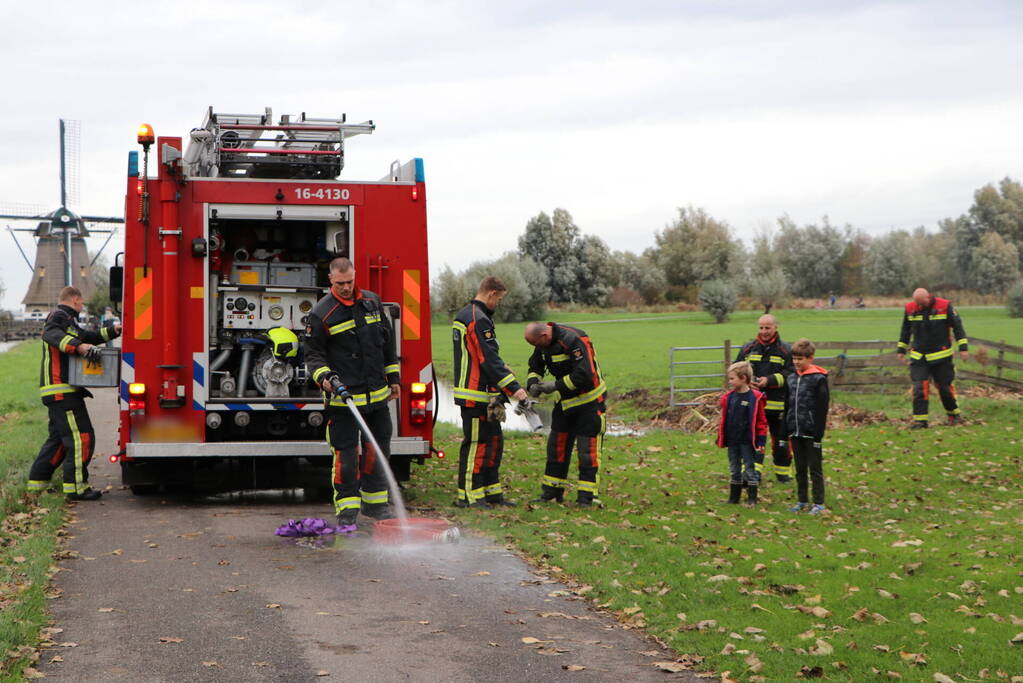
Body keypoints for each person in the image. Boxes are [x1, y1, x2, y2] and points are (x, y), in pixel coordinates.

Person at [305, 257, 400, 532]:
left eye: (349, 282)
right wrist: (323, 376)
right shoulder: (321, 313)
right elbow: (312, 354)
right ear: (331, 281)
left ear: (355, 276)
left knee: (378, 449)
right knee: (346, 455)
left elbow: (386, 342)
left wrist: (392, 377)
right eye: (340, 284)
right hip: (343, 401)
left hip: (377, 397)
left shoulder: (371, 302)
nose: (346, 288)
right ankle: (347, 508)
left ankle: (376, 504)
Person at [28, 286, 121, 500]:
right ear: (76, 299)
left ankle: (36, 485)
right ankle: (76, 488)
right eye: (82, 302)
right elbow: (50, 335)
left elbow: (88, 336)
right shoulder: (59, 315)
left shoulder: (69, 320)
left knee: (59, 440)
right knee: (82, 438)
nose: (82, 306)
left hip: (62, 392)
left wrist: (114, 331)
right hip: (62, 391)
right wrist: (78, 347)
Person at [451, 277, 528, 508]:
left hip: (486, 393)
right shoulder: (477, 319)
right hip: (476, 394)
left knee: (494, 443)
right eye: (500, 299)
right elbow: (488, 360)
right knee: (476, 445)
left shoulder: (470, 315)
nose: (499, 304)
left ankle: (492, 493)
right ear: (492, 294)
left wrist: (503, 368)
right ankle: (469, 497)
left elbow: (484, 355)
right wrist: (516, 390)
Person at [524, 321, 607, 506]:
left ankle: (586, 498)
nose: (536, 348)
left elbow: (584, 375)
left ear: (544, 336)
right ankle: (551, 493)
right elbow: (535, 365)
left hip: (590, 403)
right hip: (565, 404)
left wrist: (554, 385)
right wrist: (533, 382)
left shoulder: (574, 340)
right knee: (556, 448)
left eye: (536, 344)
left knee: (587, 452)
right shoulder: (542, 344)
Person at [735, 314, 794, 482]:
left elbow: (791, 373)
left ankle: (784, 475)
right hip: (752, 405)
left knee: (781, 442)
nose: (764, 331)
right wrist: (747, 381)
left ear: (776, 327)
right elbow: (736, 370)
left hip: (778, 407)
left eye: (767, 328)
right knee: (753, 440)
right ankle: (752, 474)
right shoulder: (748, 349)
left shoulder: (786, 350)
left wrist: (769, 381)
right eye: (761, 327)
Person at [897, 287, 968, 428]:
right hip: (919, 356)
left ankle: (953, 415)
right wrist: (901, 350)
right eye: (917, 303)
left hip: (941, 357)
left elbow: (958, 327)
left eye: (922, 303)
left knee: (944, 389)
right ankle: (920, 421)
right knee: (919, 388)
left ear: (928, 297)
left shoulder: (945, 306)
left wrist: (963, 348)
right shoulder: (910, 308)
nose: (920, 306)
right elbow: (905, 330)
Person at [785, 338, 830, 515]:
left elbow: (822, 407)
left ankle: (818, 502)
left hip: (812, 432)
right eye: (794, 359)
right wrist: (785, 429)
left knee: (815, 468)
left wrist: (818, 432)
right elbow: (787, 405)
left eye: (800, 359)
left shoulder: (818, 379)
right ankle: (802, 500)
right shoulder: (791, 378)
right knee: (800, 468)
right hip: (795, 430)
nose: (796, 363)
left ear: (810, 358)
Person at [716, 361, 768, 508]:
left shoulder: (755, 398)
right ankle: (734, 498)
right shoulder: (729, 397)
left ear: (743, 378)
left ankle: (752, 499)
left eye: (732, 378)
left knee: (749, 468)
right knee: (734, 468)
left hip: (747, 441)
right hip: (733, 440)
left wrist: (761, 441)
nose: (729, 381)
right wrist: (721, 437)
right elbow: (725, 419)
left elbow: (761, 422)